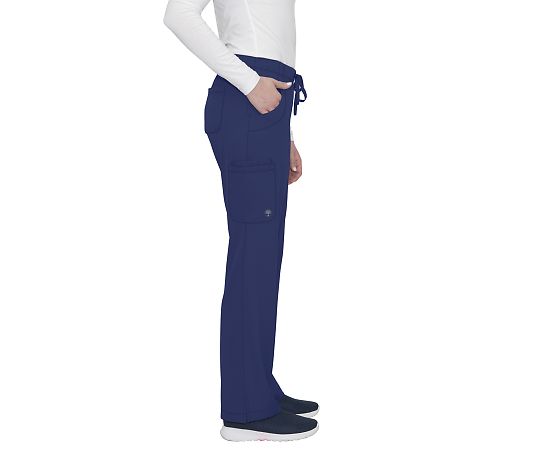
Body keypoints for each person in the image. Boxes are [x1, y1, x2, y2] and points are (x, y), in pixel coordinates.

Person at [163, 0, 318, 441]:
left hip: (266, 111)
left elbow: (272, 36)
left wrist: (285, 135)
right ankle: (245, 411)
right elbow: (178, 15)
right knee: (253, 259)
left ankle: (258, 388)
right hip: (249, 101)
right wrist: (250, 83)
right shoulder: (249, 85)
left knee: (262, 260)